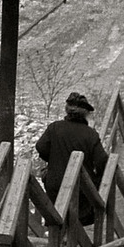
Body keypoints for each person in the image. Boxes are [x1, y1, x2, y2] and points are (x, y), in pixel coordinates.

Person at [35, 92, 108, 224]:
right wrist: (97, 180)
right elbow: (102, 160)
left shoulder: (54, 127)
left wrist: (52, 161)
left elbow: (41, 147)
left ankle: (57, 241)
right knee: (79, 217)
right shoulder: (91, 135)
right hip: (81, 188)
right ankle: (72, 241)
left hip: (55, 184)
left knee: (57, 216)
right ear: (85, 113)